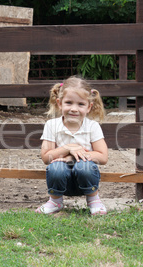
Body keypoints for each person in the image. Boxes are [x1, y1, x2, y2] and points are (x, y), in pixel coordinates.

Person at [36, 76, 108, 215]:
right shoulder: (52, 125)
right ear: (59, 103)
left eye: (81, 104)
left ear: (89, 107)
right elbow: (46, 157)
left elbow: (103, 157)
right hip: (61, 182)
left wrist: (71, 158)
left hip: (86, 180)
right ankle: (55, 201)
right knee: (56, 167)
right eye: (69, 103)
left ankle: (94, 201)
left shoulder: (92, 126)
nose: (74, 109)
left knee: (85, 166)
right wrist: (67, 148)